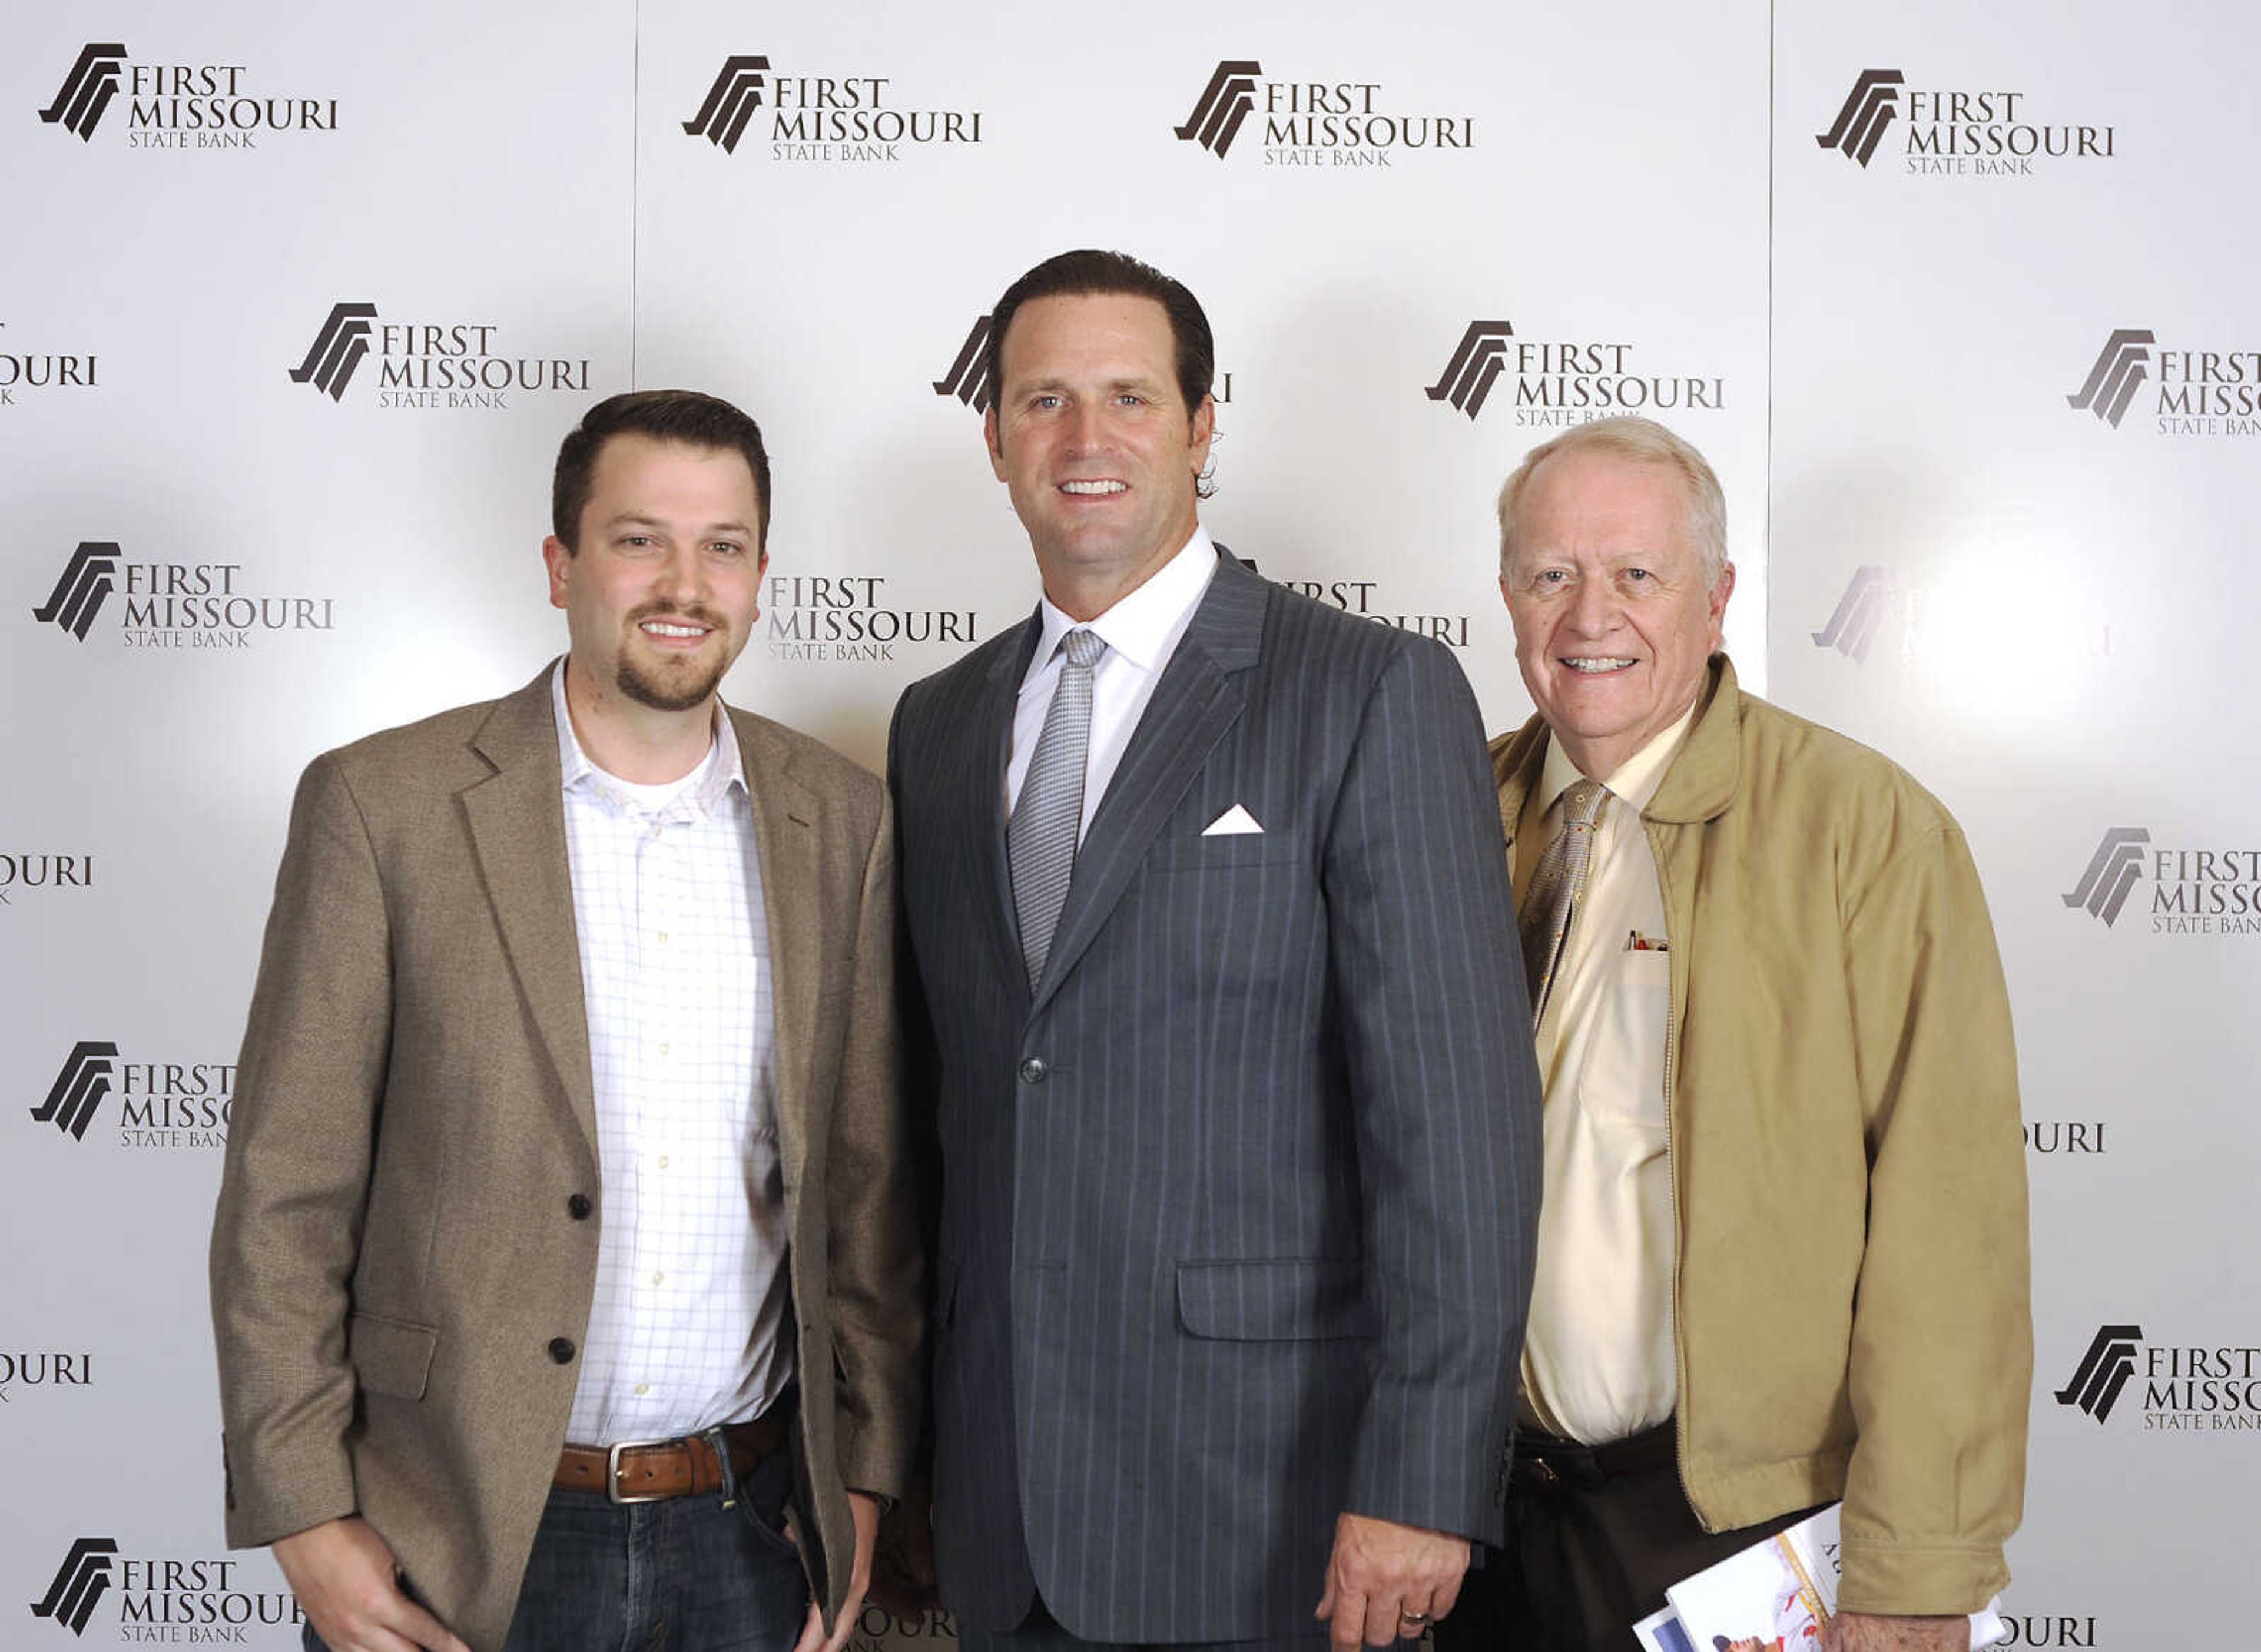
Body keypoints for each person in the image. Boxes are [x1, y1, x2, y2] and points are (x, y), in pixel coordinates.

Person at [888, 248, 1543, 1652]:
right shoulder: (935, 725)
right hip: (1003, 1521)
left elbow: (1458, 1134)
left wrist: (1424, 1478)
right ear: (994, 435)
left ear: (1200, 426)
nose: (1086, 438)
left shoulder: (1367, 690)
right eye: (1043, 398)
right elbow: (943, 1124)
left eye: (1130, 395)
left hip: (1273, 1519)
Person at [208, 390, 922, 1652]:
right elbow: (286, 1193)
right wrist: (304, 1508)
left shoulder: (841, 823)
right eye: (640, 538)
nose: (684, 583)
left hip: (748, 1541)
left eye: (725, 545)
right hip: (455, 1539)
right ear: (562, 564)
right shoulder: (385, 809)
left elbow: (866, 1196)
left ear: (761, 576)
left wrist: (859, 1483)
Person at [1440, 416, 2028, 1652]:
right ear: (1506, 596)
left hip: (1736, 1537)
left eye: (1637, 574)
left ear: (1716, 600)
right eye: (1553, 574)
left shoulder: (1864, 831)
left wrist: (1914, 1567)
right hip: (1486, 1524)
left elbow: (1948, 1230)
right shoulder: (1446, 813)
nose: (1590, 613)